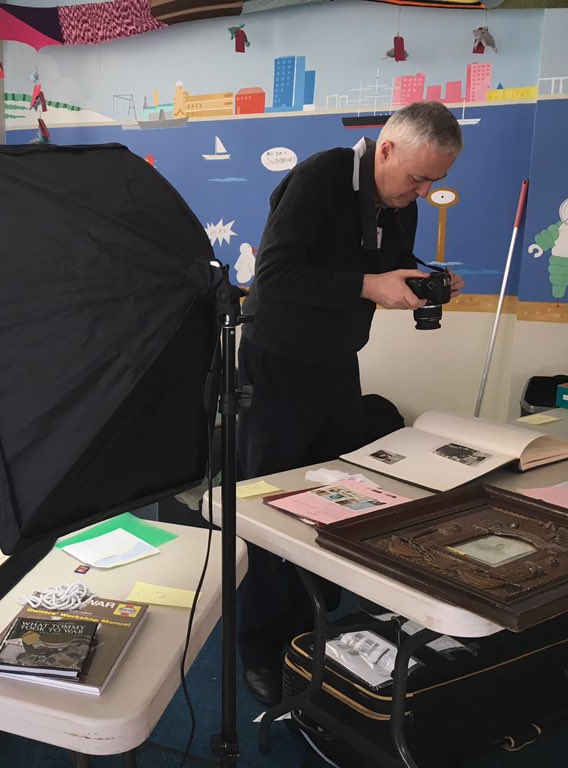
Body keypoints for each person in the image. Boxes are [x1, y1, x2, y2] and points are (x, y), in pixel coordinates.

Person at [235, 101, 465, 705]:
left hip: (338, 363)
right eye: (417, 177)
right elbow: (276, 275)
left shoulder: (399, 202)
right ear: (384, 149)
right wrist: (367, 285)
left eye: (435, 182)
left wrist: (423, 279)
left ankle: (316, 625)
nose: (421, 192)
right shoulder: (320, 177)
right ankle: (260, 643)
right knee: (270, 506)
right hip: (278, 363)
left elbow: (388, 266)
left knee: (336, 500)